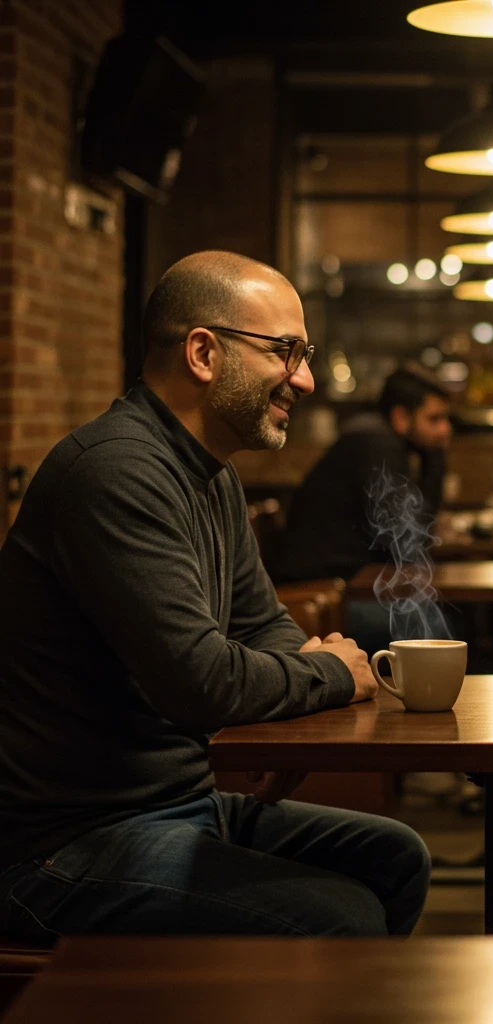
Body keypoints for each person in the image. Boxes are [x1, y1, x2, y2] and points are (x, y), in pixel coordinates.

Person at [0, 251, 431, 943]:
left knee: (395, 858)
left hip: (180, 804)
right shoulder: (115, 472)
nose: (307, 379)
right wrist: (330, 675)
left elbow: (262, 625)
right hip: (65, 844)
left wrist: (296, 695)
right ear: (203, 352)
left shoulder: (212, 473)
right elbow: (200, 682)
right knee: (340, 918)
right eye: (286, 352)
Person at [269, 367, 453, 655]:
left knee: (439, 618)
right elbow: (408, 538)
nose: (445, 430)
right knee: (440, 628)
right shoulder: (375, 442)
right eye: (435, 419)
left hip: (343, 585)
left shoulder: (374, 435)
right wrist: (437, 459)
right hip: (317, 593)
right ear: (401, 417)